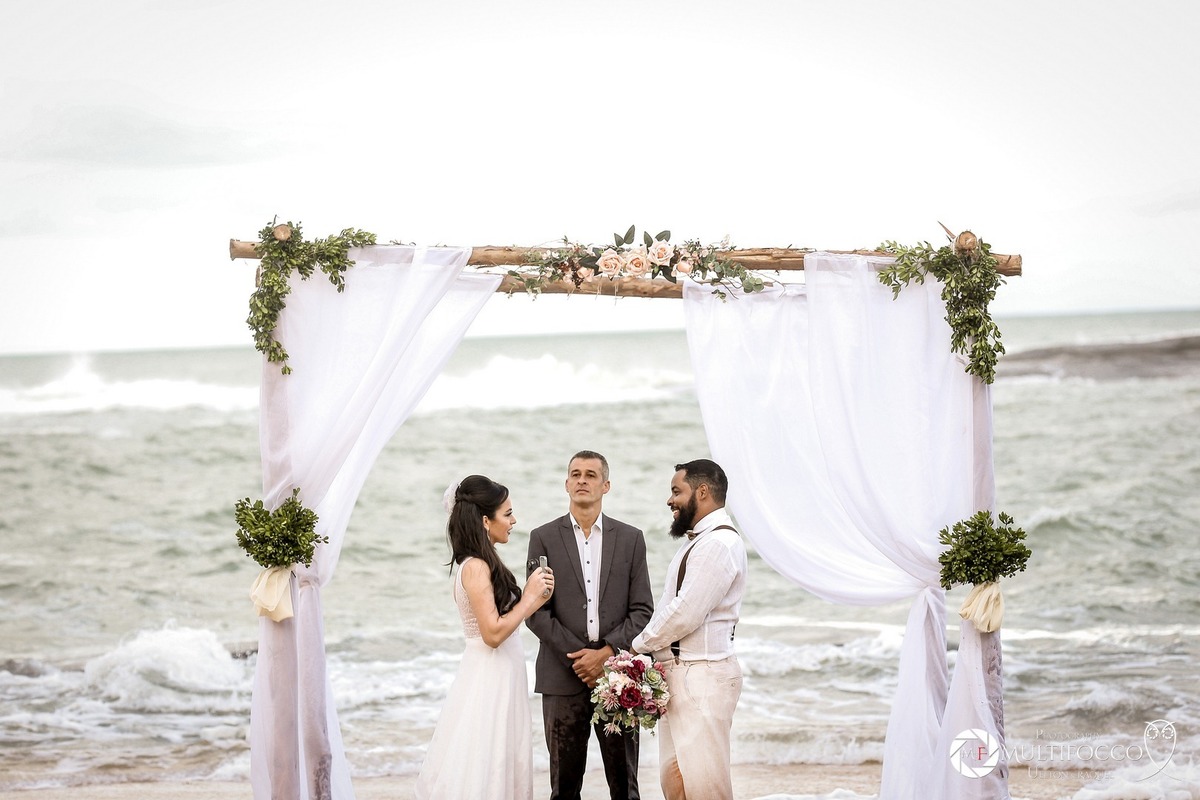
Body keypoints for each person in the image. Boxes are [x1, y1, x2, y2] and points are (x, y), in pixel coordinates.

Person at [415, 475, 555, 800]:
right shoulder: (476, 567)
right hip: (489, 675)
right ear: (484, 520)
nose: (514, 520)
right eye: (507, 513)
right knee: (487, 763)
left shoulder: (482, 562)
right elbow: (492, 633)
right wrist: (530, 598)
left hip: (499, 672)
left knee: (501, 758)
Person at [526, 451, 654, 800]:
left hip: (617, 678)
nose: (582, 480)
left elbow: (643, 609)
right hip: (561, 678)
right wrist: (579, 657)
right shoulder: (543, 538)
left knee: (624, 786)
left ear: (606, 485)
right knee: (563, 788)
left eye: (591, 474)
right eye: (575, 474)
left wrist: (607, 654)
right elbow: (535, 610)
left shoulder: (631, 539)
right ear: (567, 484)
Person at [631, 459, 747, 800]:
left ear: (703, 491)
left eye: (676, 491)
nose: (670, 500)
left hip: (703, 676)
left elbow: (685, 613)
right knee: (677, 785)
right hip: (682, 676)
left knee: (706, 787)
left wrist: (637, 646)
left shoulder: (718, 545)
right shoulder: (698, 542)